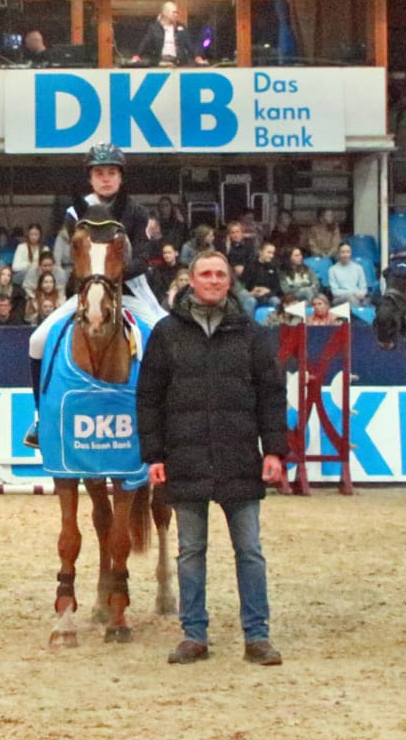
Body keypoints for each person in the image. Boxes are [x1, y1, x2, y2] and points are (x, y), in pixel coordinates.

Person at [135, 251, 287, 667]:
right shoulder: (166, 334)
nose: (214, 280)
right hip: (185, 459)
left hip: (240, 457)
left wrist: (274, 450)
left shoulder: (252, 334)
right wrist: (154, 455)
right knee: (190, 552)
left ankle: (257, 637)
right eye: (206, 273)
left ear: (228, 281)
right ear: (192, 280)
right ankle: (193, 635)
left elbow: (272, 395)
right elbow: (148, 398)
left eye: (220, 273)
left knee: (250, 551)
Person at [26, 143, 161, 447]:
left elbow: (143, 257)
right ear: (91, 178)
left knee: (162, 337)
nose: (106, 178)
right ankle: (40, 417)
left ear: (120, 177)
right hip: (90, 292)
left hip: (130, 291)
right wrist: (96, 281)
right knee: (36, 340)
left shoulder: (137, 212)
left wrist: (113, 274)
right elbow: (77, 257)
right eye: (99, 173)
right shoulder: (76, 212)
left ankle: (164, 417)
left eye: (111, 172)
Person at [130, 2, 205, 66]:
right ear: (165, 13)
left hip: (178, 64)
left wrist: (197, 57)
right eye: (173, 12)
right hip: (160, 63)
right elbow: (145, 43)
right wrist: (137, 56)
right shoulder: (154, 28)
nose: (176, 15)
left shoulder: (181, 27)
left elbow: (190, 45)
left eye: (176, 12)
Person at [327, 243, 369, 307]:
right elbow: (335, 291)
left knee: (368, 301)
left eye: (348, 252)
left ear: (351, 253)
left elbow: (363, 287)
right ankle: (355, 315)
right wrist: (353, 293)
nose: (345, 255)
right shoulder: (332, 270)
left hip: (358, 297)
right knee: (351, 298)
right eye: (343, 252)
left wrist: (361, 294)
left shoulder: (358, 268)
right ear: (338, 253)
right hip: (339, 299)